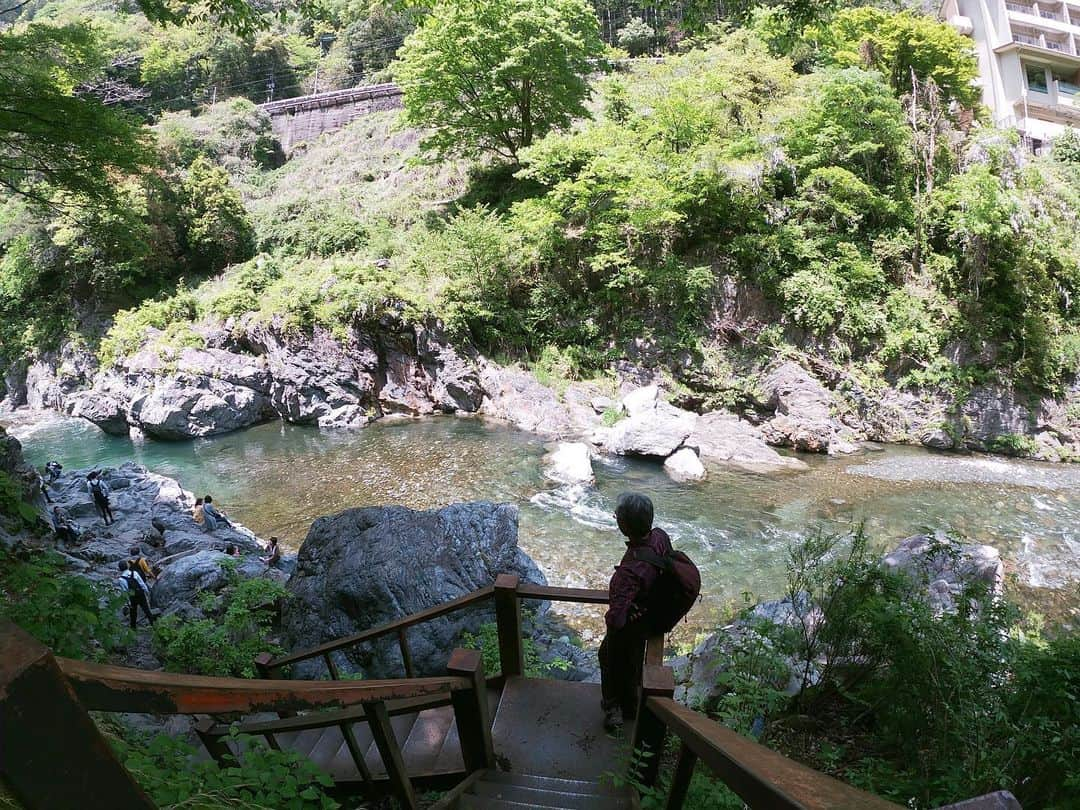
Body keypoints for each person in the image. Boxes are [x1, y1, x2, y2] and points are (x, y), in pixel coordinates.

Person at [599, 492, 674, 732]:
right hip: (650, 615)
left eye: (618, 517)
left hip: (631, 625)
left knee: (609, 658)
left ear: (625, 525)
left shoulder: (629, 572)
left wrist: (612, 618)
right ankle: (631, 706)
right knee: (632, 664)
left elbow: (618, 618)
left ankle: (614, 710)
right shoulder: (660, 537)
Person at [117, 560, 155, 630]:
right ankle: (153, 625)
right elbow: (142, 584)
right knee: (146, 610)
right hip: (140, 594)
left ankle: (133, 628)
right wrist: (146, 591)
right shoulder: (134, 573)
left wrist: (127, 602)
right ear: (127, 566)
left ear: (120, 569)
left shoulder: (121, 579)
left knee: (133, 613)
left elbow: (124, 591)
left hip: (132, 597)